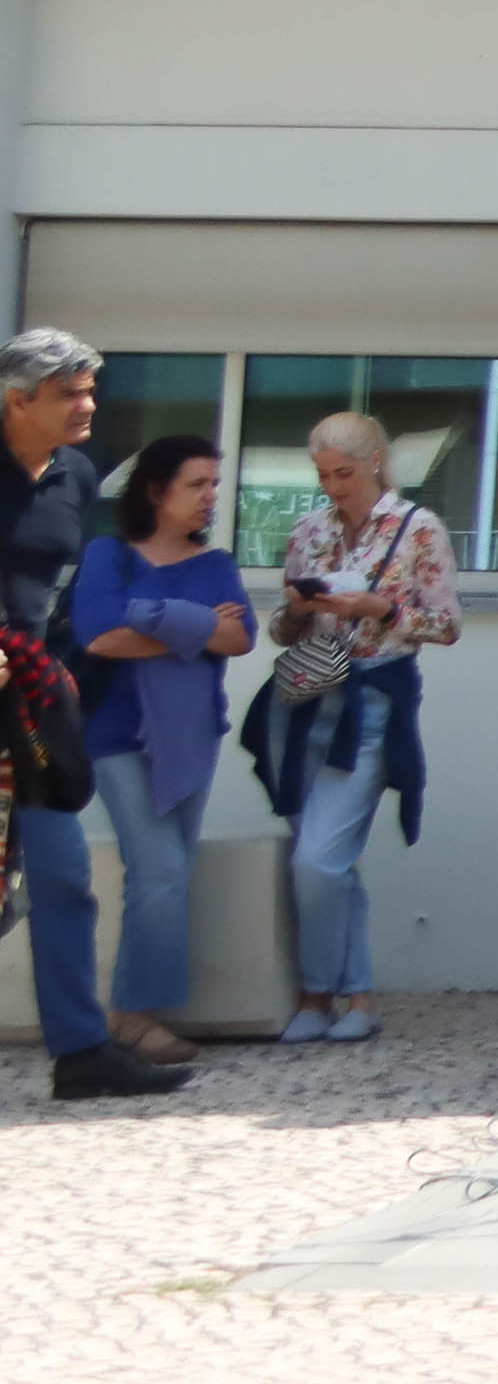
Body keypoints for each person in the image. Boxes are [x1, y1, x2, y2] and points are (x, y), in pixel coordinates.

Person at [9, 324, 187, 1099]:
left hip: (30, 699)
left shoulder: (76, 474)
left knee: (63, 876)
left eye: (90, 390)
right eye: (68, 394)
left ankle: (81, 1053)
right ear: (17, 402)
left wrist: (61, 666)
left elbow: (55, 585)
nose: (87, 405)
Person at [258, 407, 461, 1045]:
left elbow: (447, 624)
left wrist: (381, 608)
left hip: (372, 700)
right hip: (305, 698)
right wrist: (298, 611)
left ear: (375, 462)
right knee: (324, 859)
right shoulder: (309, 529)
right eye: (322, 475)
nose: (331, 487)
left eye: (342, 473)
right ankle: (350, 998)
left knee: (317, 861)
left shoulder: (417, 528)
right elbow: (282, 630)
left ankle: (320, 992)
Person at [68, 434, 249, 1072]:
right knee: (160, 873)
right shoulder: (108, 554)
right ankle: (136, 1019)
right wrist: (197, 625)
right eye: (196, 484)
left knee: (168, 874)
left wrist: (153, 616)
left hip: (193, 737)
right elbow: (99, 637)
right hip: (117, 738)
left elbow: (239, 637)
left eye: (213, 485)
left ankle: (132, 1014)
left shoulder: (217, 563)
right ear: (155, 490)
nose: (209, 497)